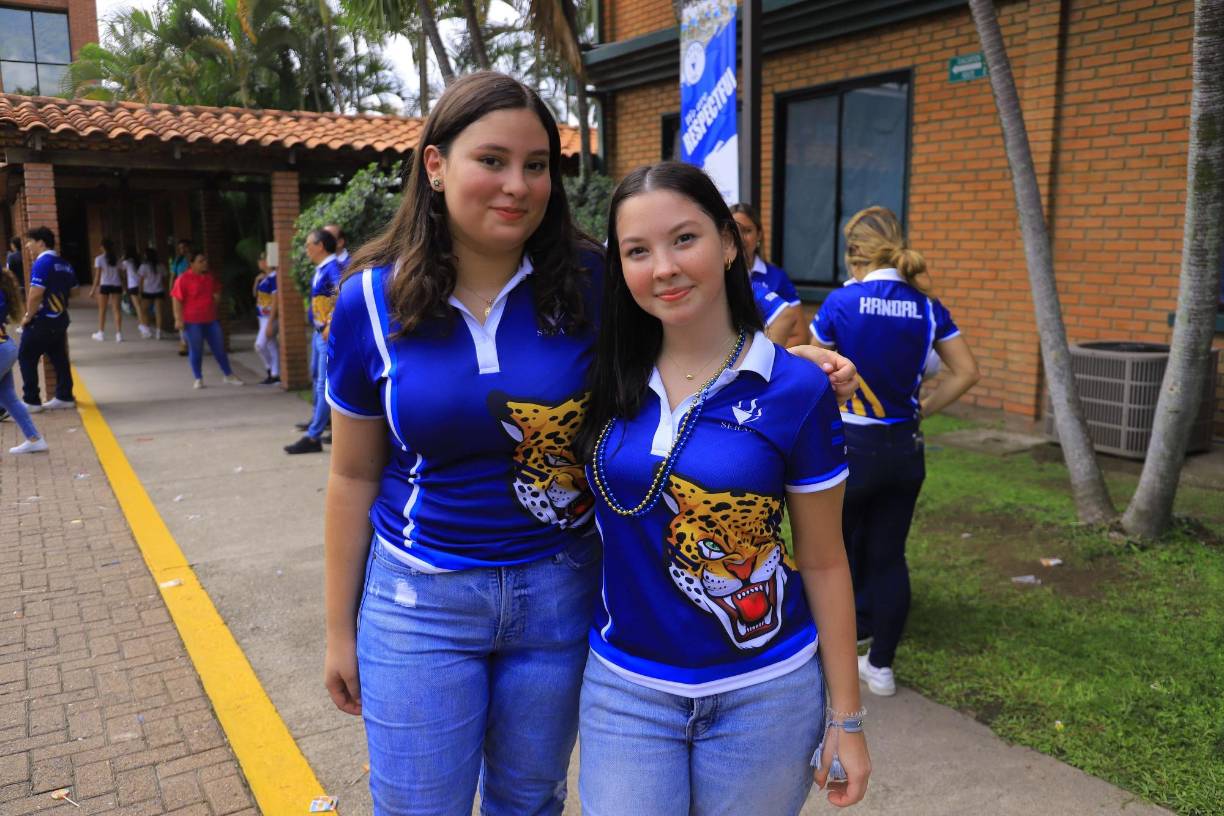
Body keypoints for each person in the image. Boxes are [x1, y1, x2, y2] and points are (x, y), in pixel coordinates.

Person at [321, 71, 858, 816]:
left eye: (536, 165)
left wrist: (794, 366)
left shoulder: (592, 280)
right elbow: (351, 477)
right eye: (493, 161)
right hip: (421, 598)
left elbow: (688, 327)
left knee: (529, 800)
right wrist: (337, 630)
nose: (517, 185)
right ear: (435, 166)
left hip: (561, 589)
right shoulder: (369, 302)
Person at [574, 162, 870, 814]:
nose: (664, 268)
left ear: (730, 243)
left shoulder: (794, 388)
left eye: (685, 239)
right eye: (637, 251)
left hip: (765, 695)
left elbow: (824, 560)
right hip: (626, 688)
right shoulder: (597, 376)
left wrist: (846, 720)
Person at [811, 206, 979, 697]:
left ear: (853, 253)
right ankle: (880, 666)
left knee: (831, 554)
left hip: (851, 446)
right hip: (905, 449)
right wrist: (925, 406)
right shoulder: (928, 306)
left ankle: (825, 654)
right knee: (889, 557)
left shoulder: (841, 304)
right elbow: (967, 371)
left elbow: (813, 372)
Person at [284, 230, 340, 453]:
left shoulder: (333, 268)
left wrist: (330, 322)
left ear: (321, 246)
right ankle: (319, 424)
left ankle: (313, 435)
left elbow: (343, 292)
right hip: (319, 333)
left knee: (323, 384)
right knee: (317, 378)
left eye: (309, 244)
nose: (306, 249)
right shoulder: (323, 269)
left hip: (326, 334)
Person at [17, 226, 77, 415]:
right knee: (59, 356)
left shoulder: (42, 264)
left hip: (41, 320)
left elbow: (35, 294)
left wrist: (27, 316)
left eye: (30, 242)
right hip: (60, 319)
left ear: (41, 243)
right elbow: (74, 290)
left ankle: (32, 400)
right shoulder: (64, 264)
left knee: (26, 356)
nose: (27, 246)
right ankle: (65, 396)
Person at [731, 203, 807, 347]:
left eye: (747, 231)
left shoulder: (777, 277)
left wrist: (764, 358)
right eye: (735, 230)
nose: (741, 238)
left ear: (759, 234)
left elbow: (800, 336)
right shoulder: (719, 278)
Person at [171, 252, 244, 389]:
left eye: (205, 260)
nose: (204, 263)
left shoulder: (209, 277)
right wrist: (178, 319)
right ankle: (198, 378)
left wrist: (217, 297)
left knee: (219, 348)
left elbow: (217, 290)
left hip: (211, 320)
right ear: (191, 264)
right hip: (192, 321)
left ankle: (228, 375)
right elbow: (176, 299)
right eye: (200, 261)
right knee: (196, 349)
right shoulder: (183, 279)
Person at [0, 265, 47, 453]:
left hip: (2, 349)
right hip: (5, 347)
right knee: (8, 398)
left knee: (9, 398)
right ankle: (34, 439)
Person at [253, 252, 280, 385]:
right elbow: (255, 294)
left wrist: (270, 321)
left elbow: (276, 300)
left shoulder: (274, 277)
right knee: (270, 344)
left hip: (269, 317)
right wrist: (257, 280)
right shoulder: (265, 277)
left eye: (261, 260)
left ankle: (271, 369)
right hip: (261, 316)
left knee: (260, 345)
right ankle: (274, 373)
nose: (259, 262)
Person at [91, 239, 124, 342]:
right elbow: (121, 274)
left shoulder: (99, 259)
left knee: (102, 310)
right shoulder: (117, 259)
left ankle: (101, 333)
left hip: (105, 285)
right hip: (117, 284)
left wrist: (93, 290)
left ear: (103, 247)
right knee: (117, 310)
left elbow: (97, 276)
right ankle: (119, 334)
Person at [138, 248, 168, 339]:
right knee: (159, 312)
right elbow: (164, 280)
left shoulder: (143, 266)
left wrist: (140, 291)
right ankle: (159, 332)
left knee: (144, 311)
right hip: (159, 291)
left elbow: (141, 281)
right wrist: (165, 290)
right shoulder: (161, 266)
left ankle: (147, 330)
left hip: (147, 291)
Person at [122, 246, 151, 339]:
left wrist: (123, 257)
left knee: (138, 307)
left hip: (132, 286)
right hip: (142, 286)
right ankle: (146, 326)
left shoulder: (127, 262)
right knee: (142, 308)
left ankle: (143, 327)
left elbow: (120, 266)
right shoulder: (139, 261)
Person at [172, 239, 192, 356]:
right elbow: (173, 275)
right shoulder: (178, 260)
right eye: (180, 248)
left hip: (191, 290)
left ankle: (189, 341)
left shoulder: (193, 259)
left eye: (184, 247)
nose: (182, 250)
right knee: (180, 316)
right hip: (180, 290)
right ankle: (183, 342)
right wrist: (171, 288)